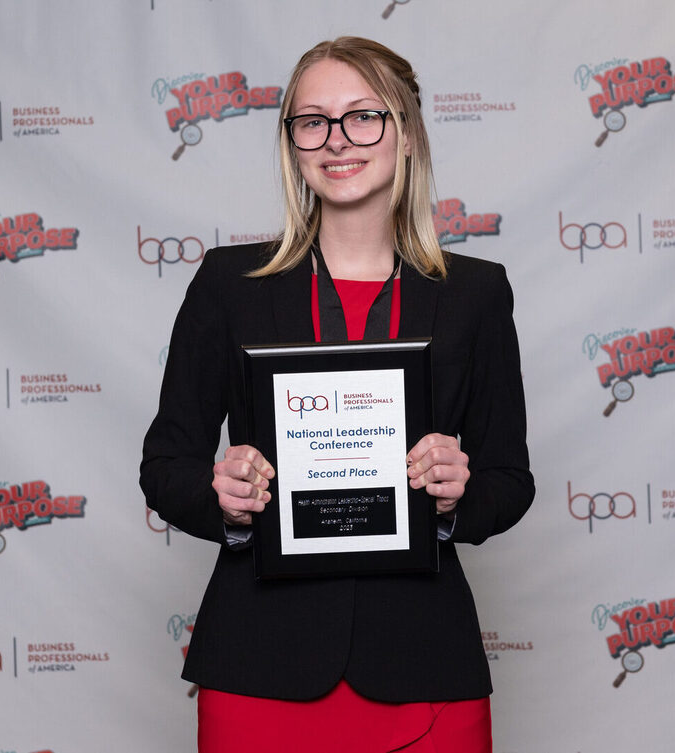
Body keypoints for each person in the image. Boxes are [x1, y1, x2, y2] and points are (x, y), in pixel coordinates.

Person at [140, 36, 534, 753]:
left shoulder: (476, 293)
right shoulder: (228, 285)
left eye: (362, 116)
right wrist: (222, 495)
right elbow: (166, 465)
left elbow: (509, 479)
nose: (336, 140)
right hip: (259, 663)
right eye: (312, 121)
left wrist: (458, 494)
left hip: (424, 662)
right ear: (291, 142)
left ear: (406, 132)